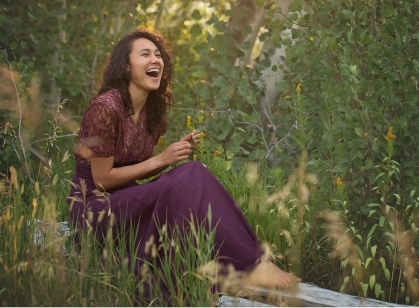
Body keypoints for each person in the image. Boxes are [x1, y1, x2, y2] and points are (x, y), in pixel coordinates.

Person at [67, 29, 298, 290]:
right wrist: (161, 161)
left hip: (129, 201)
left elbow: (138, 172)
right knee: (189, 175)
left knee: (192, 172)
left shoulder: (151, 112)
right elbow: (101, 180)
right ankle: (251, 266)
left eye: (158, 54)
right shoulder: (105, 109)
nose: (155, 59)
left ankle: (248, 264)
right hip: (94, 209)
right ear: (126, 66)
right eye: (145, 54)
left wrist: (168, 159)